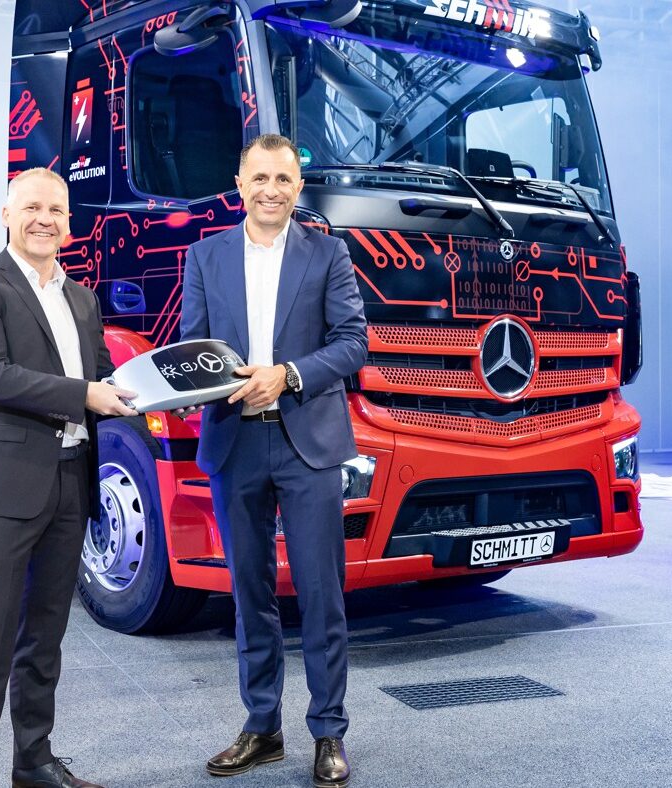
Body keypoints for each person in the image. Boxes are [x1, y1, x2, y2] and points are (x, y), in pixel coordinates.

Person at [180, 134, 368, 787]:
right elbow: (193, 347)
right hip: (234, 440)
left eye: (283, 179)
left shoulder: (328, 254)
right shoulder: (204, 255)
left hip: (307, 442)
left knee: (320, 593)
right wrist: (190, 386)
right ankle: (262, 727)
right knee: (250, 591)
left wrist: (285, 375)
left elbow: (352, 343)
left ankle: (328, 731)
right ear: (239, 184)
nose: (270, 190)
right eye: (259, 178)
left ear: (298, 186)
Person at [0, 167, 136, 788]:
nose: (44, 219)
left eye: (55, 210)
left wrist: (165, 390)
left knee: (45, 636)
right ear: (6, 215)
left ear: (70, 224)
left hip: (71, 481)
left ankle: (34, 761)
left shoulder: (82, 298)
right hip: (4, 486)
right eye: (31, 208)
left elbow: (105, 377)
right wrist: (86, 394)